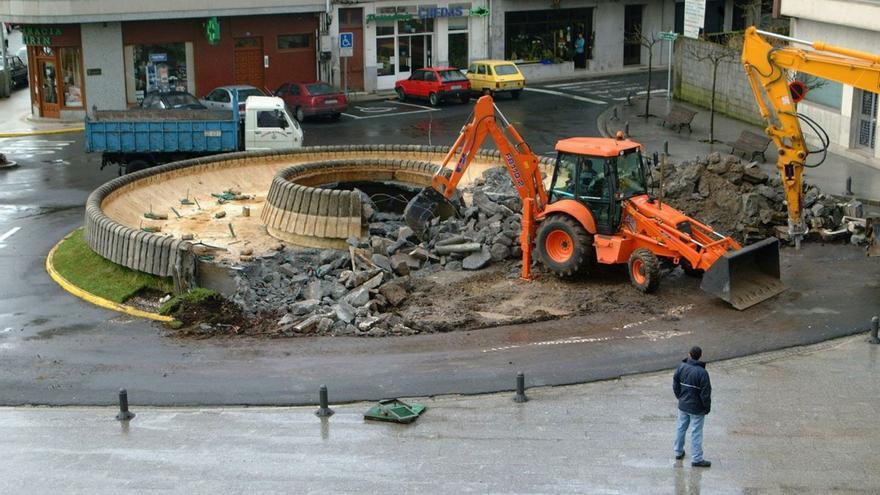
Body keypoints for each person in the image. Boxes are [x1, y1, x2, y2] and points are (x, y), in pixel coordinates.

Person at [673, 346, 712, 467]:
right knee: (696, 432)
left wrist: (680, 397)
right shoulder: (702, 373)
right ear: (699, 356)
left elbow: (675, 384)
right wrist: (706, 407)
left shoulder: (681, 367)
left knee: (681, 427)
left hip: (683, 404)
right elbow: (705, 393)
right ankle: (696, 458)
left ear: (689, 354)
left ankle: (678, 451)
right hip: (697, 408)